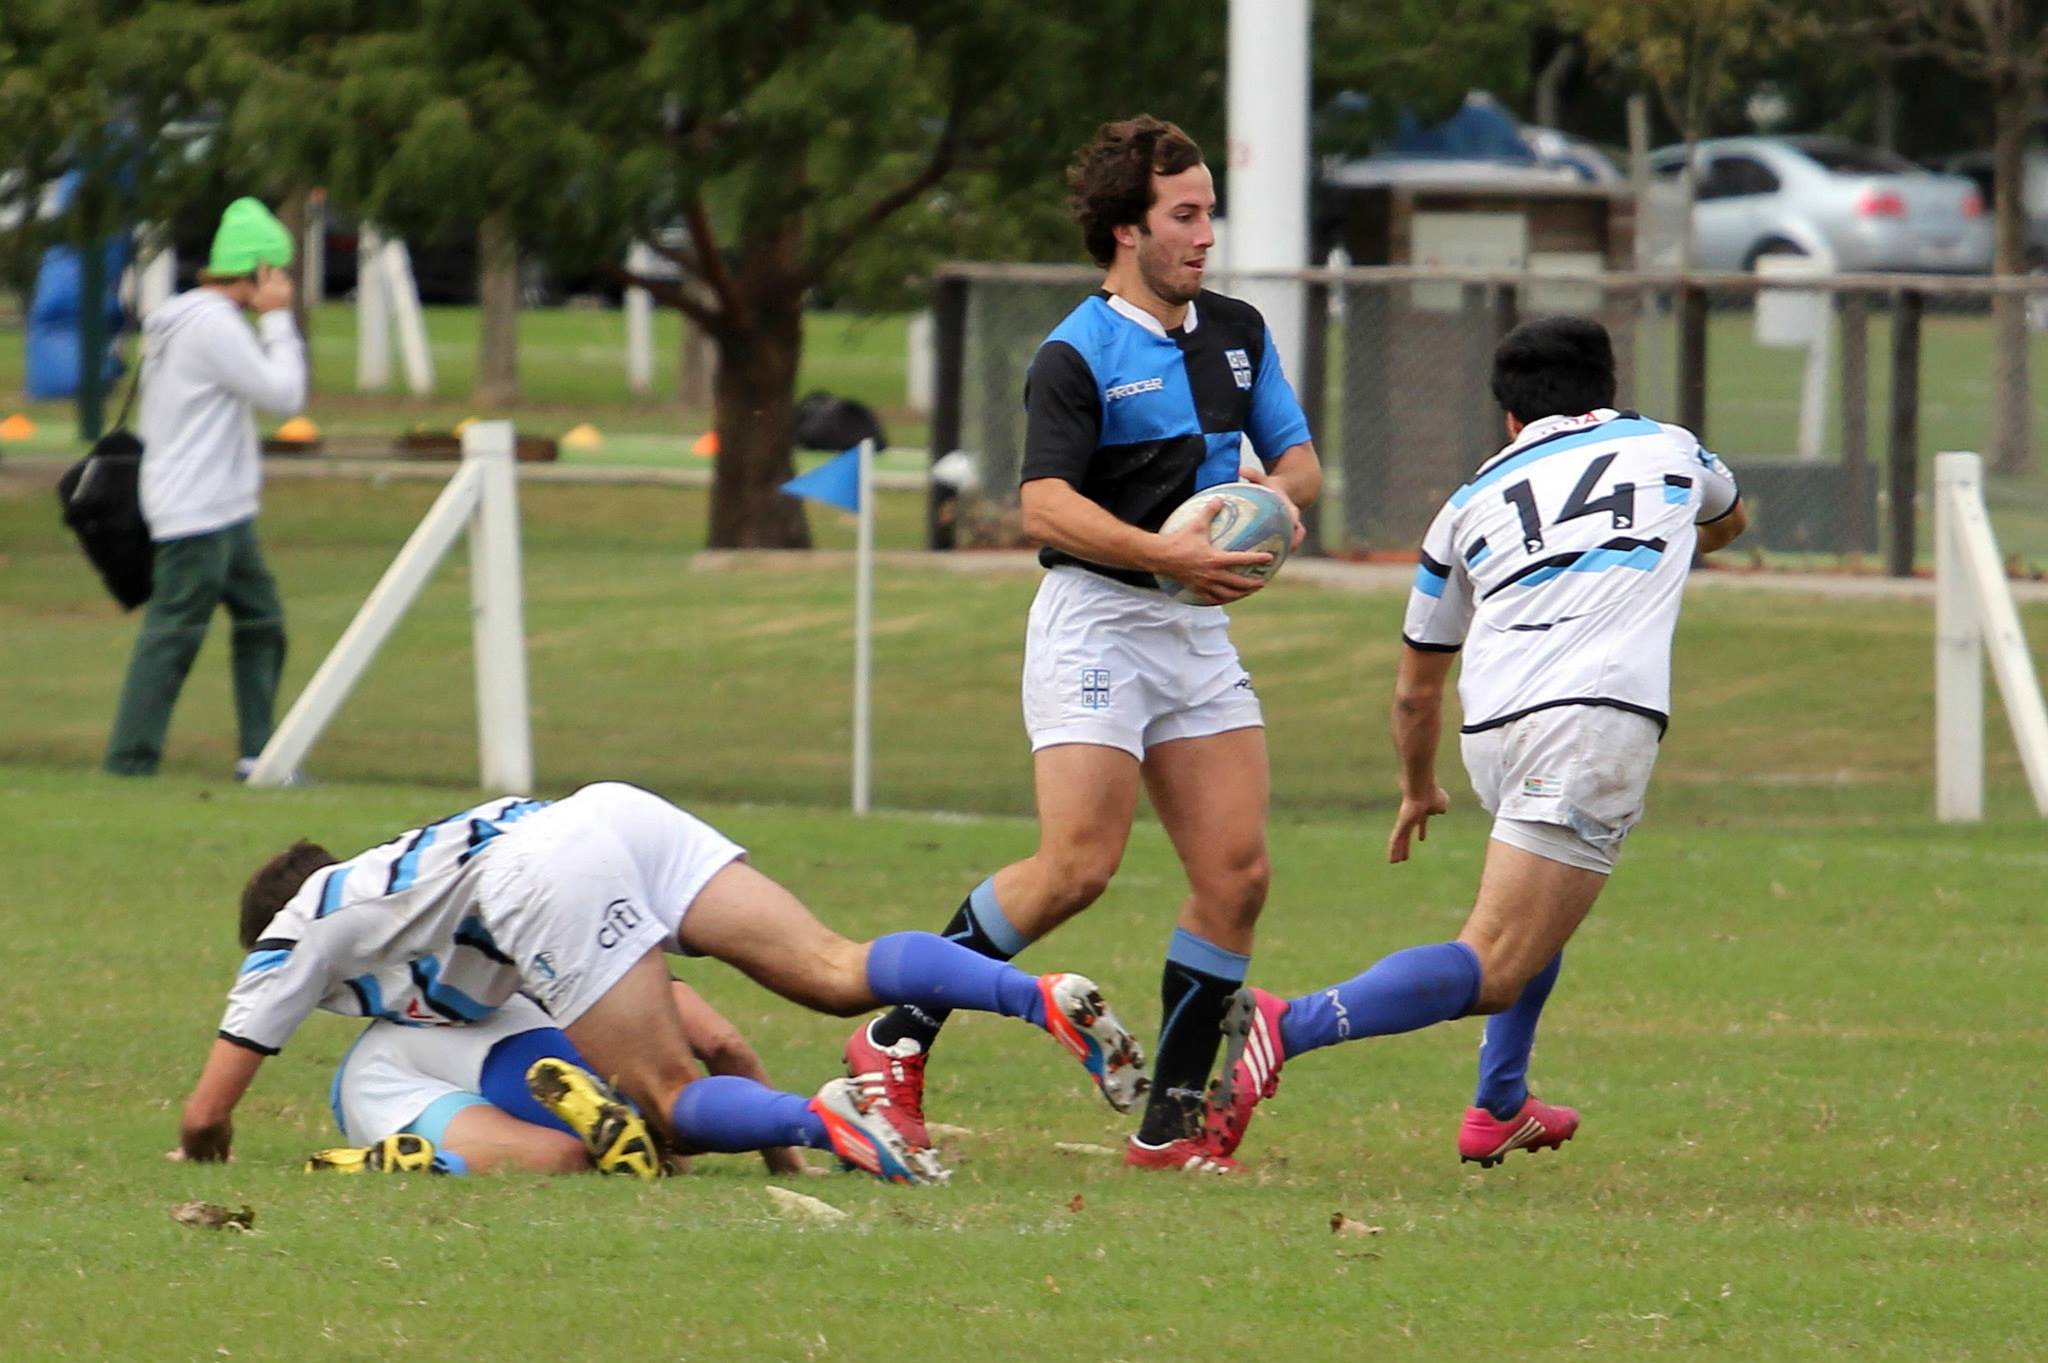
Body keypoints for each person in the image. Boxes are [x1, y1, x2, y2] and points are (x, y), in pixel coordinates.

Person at [844, 115, 1322, 1174]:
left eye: (1208, 211)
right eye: (1182, 215)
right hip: (1097, 622)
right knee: (1074, 867)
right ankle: (890, 1036)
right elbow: (1044, 506)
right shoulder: (1076, 352)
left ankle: (1171, 1125)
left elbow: (1296, 465)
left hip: (1192, 629)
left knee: (1236, 874)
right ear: (1125, 231)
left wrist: (1268, 508)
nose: (1205, 234)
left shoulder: (1237, 330)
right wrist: (1166, 549)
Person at [1204, 315, 1748, 1167]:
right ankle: (1287, 1024)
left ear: (1508, 418)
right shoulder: (1667, 447)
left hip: (1493, 728)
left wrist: (1417, 785)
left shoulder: (1465, 504)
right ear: (1610, 387)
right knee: (1496, 958)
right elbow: (1729, 519)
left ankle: (1499, 1102)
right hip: (1591, 720)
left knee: (1541, 916)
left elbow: (1416, 688)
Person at [173, 782, 1146, 1184]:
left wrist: (206, 1150)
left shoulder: (297, 926)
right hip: (603, 810)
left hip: (538, 876)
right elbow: (713, 1026)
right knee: (837, 968)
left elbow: (207, 1112)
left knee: (668, 1098)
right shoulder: (407, 900)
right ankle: (1035, 992)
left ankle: (831, 1114)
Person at [104, 197, 305, 780]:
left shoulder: (184, 316)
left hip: (221, 506)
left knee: (262, 622)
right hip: (197, 508)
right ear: (258, 272)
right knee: (173, 636)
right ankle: (129, 761)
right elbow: (284, 396)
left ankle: (260, 756)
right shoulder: (215, 326)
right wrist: (276, 320)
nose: (285, 283)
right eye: (279, 271)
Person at [302, 983, 813, 1178]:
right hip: (397, 1069)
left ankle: (424, 1165)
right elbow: (725, 1045)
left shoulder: (547, 953)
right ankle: (398, 1164)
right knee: (655, 1147)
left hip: (426, 1051)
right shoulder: (626, 969)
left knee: (579, 1158)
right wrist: (787, 1163)